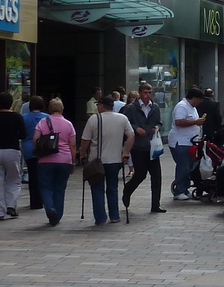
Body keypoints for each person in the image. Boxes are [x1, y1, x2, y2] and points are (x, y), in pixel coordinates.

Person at [79, 95, 134, 225]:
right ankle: (114, 216)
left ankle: (100, 217)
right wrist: (125, 152)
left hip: (97, 161)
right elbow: (131, 136)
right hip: (115, 160)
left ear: (102, 106)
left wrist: (82, 154)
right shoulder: (122, 118)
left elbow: (85, 141)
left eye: (98, 105)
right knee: (112, 188)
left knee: (97, 189)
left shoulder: (94, 119)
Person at [120, 82, 167, 214]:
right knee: (140, 174)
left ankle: (155, 205)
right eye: (145, 93)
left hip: (152, 146)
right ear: (140, 93)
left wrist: (157, 127)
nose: (147, 95)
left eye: (149, 93)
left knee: (156, 176)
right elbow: (125, 123)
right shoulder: (131, 108)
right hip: (138, 146)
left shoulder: (155, 107)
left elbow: (159, 122)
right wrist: (135, 128)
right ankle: (127, 190)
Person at [32, 97, 77, 226]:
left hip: (45, 160)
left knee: (45, 187)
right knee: (59, 189)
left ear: (50, 109)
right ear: (62, 109)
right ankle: (57, 215)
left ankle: (50, 208)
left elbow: (35, 139)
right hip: (64, 160)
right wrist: (73, 162)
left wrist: (39, 151)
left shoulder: (42, 122)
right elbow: (72, 145)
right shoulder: (68, 124)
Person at [164, 87, 206, 201]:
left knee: (188, 167)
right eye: (199, 99)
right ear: (195, 98)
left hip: (190, 141)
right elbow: (179, 121)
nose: (200, 102)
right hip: (181, 142)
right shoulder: (182, 106)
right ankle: (179, 190)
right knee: (183, 167)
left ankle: (185, 188)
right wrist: (195, 122)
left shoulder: (192, 108)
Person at [21, 95, 51, 212]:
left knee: (32, 175)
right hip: (43, 149)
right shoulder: (47, 117)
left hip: (28, 149)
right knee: (43, 176)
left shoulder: (24, 118)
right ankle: (44, 199)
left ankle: (34, 201)